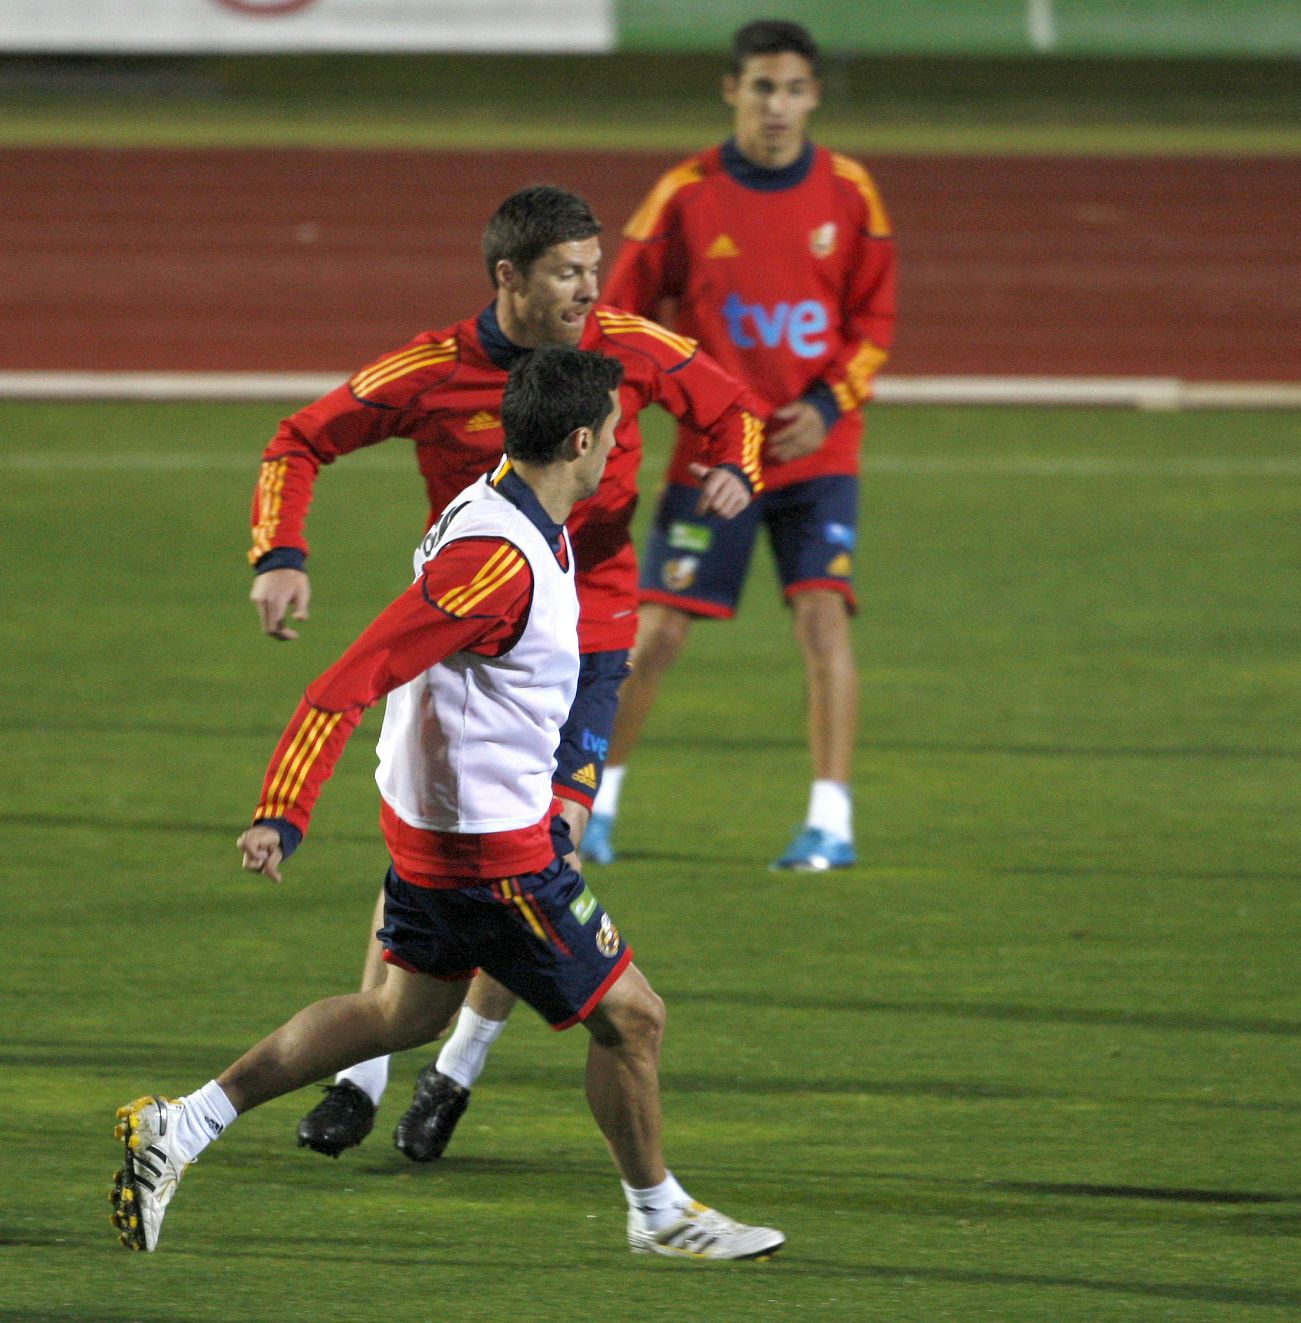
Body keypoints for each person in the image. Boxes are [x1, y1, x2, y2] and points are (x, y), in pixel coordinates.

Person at [111, 346, 783, 1262]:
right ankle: (658, 1211)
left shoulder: (501, 502)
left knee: (398, 1013)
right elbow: (348, 680)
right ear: (581, 439)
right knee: (634, 1019)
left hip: (440, 830)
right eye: (617, 435)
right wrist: (283, 808)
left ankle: (180, 1125)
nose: (621, 451)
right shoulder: (494, 562)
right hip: (490, 856)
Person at [246, 185, 763, 1164]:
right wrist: (280, 553)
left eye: (592, 270)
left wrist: (736, 467)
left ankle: (456, 1069)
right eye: (566, 272)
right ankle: (365, 1072)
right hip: (457, 639)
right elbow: (299, 438)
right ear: (508, 277)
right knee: (432, 853)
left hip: (588, 645)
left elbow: (733, 410)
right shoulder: (432, 371)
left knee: (539, 849)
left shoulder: (627, 346)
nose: (587, 291)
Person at [587, 17, 896, 873]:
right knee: (655, 636)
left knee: (823, 618)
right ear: (733, 92)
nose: (778, 106)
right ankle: (594, 807)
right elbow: (620, 319)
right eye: (763, 87)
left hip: (817, 454)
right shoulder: (686, 194)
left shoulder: (851, 194)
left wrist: (830, 402)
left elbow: (873, 318)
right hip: (714, 457)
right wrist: (681, 403)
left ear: (814, 97)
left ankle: (830, 823)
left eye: (795, 89)